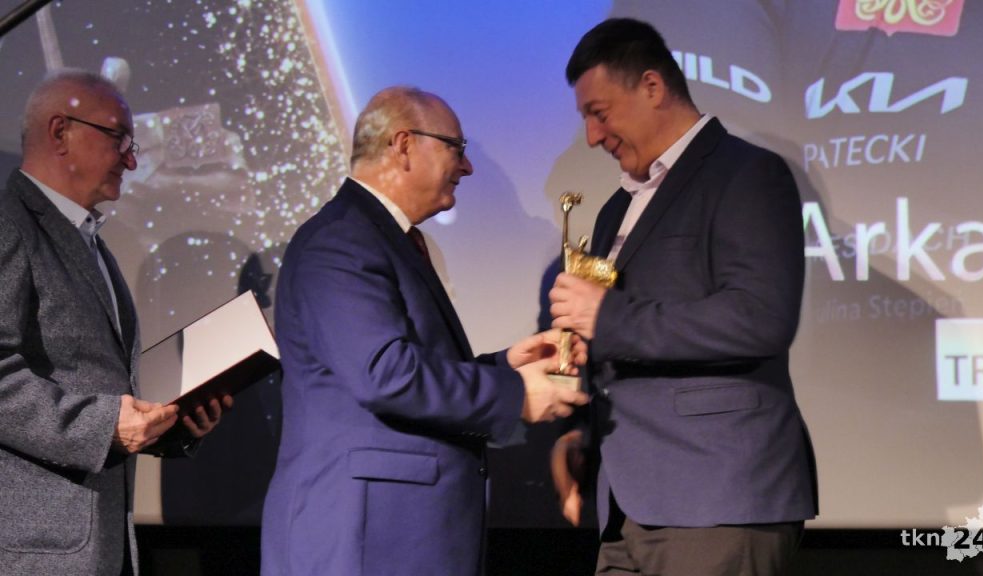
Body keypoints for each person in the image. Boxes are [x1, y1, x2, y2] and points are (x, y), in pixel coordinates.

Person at [261, 86, 588, 576]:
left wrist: (506, 364)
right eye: (456, 148)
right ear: (403, 145)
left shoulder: (386, 238)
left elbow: (406, 364)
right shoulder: (341, 240)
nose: (467, 167)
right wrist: (514, 393)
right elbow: (385, 374)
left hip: (396, 535)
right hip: (364, 540)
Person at [548, 18, 818, 576]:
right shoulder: (615, 209)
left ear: (652, 86)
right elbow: (616, 343)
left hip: (716, 498)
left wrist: (607, 318)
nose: (593, 136)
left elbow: (760, 317)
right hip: (625, 504)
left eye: (599, 113)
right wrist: (582, 432)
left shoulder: (748, 174)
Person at [0, 70, 231, 576]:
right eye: (119, 139)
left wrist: (172, 425)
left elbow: (98, 383)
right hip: (34, 552)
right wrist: (104, 426)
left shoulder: (90, 242)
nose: (131, 160)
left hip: (98, 542)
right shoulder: (8, 224)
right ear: (60, 132)